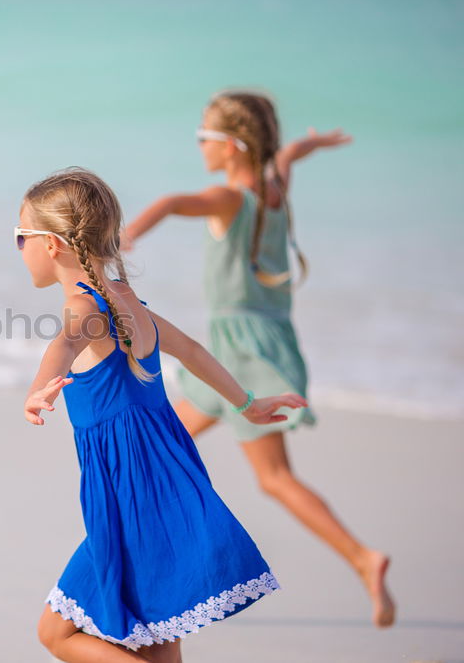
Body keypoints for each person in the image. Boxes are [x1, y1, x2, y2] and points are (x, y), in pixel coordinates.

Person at [120, 90, 394, 629]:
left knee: (271, 478)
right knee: (162, 441)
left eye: (204, 137)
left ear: (231, 147)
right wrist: (305, 146)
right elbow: (284, 159)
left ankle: (364, 558)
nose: (198, 144)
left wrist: (124, 236)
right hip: (256, 343)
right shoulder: (272, 190)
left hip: (239, 355)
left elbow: (175, 202)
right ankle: (145, 566)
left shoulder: (229, 199)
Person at [20, 167, 307, 662]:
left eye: (20, 237)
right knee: (154, 636)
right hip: (164, 482)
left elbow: (64, 343)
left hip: (128, 495)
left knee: (57, 634)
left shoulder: (82, 307)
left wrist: (37, 389)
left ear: (51, 244)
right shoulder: (128, 302)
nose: (19, 248)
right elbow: (193, 350)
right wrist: (246, 403)